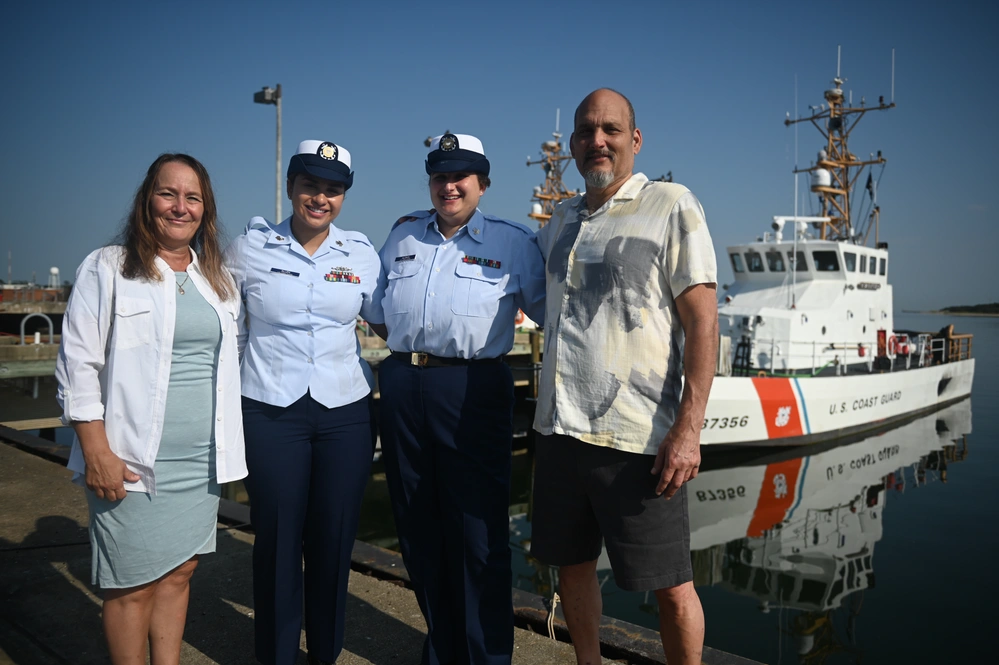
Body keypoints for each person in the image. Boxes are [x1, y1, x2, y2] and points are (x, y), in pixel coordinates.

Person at [530, 89, 718, 665]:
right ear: (573, 147)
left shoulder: (670, 204)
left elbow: (704, 320)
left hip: (637, 438)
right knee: (572, 568)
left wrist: (689, 428)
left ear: (635, 140)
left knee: (670, 583)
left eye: (611, 129)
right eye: (586, 131)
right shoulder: (560, 219)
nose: (597, 140)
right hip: (559, 432)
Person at [55, 153, 246, 665]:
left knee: (181, 573)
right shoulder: (109, 267)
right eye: (169, 193)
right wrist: (94, 448)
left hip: (200, 460)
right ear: (147, 200)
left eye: (193, 197)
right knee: (130, 584)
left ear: (205, 210)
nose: (179, 207)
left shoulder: (219, 280)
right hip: (133, 457)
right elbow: (78, 362)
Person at [366, 133, 546, 665]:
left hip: (472, 390)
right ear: (431, 182)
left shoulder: (513, 243)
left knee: (477, 534)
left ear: (482, 185)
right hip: (402, 384)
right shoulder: (402, 236)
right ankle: (442, 649)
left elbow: (551, 317)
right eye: (441, 175)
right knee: (418, 528)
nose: (450, 185)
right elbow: (374, 308)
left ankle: (487, 656)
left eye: (461, 176)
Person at [226, 140, 381, 665]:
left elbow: (389, 320)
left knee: (334, 543)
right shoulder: (249, 248)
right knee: (276, 540)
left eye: (333, 189)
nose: (321, 198)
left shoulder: (361, 252)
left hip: (346, 413)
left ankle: (325, 656)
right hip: (271, 410)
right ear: (291, 187)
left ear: (344, 196)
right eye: (311, 185)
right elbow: (226, 329)